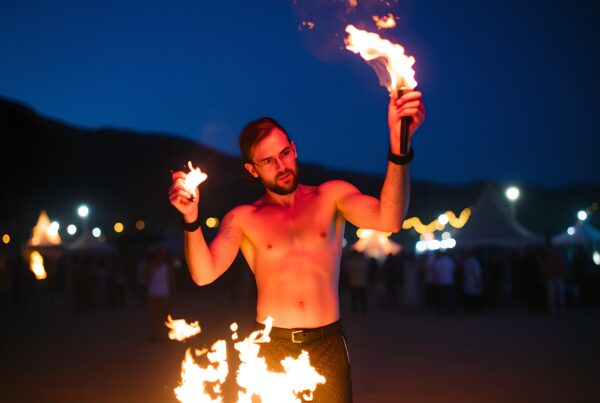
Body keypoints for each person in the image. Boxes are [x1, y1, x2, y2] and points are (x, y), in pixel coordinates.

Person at [168, 91, 425, 402]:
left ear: (295, 149)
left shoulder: (331, 196)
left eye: (285, 153)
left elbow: (390, 219)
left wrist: (400, 146)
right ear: (252, 169)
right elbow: (203, 274)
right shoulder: (243, 218)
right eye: (268, 161)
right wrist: (191, 218)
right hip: (270, 346)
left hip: (328, 343)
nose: (282, 165)